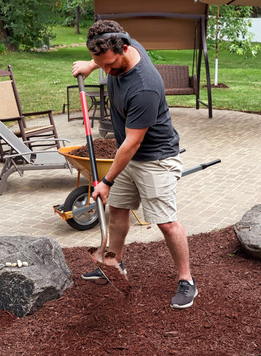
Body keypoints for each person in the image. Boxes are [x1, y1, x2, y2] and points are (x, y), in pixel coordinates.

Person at [71, 20, 197, 309]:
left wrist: (106, 181)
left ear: (124, 49)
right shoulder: (117, 43)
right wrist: (92, 66)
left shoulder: (145, 88)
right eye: (100, 64)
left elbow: (131, 143)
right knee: (116, 210)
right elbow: (102, 58)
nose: (107, 71)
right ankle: (112, 264)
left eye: (110, 65)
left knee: (165, 222)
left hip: (155, 158)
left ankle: (187, 280)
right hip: (128, 155)